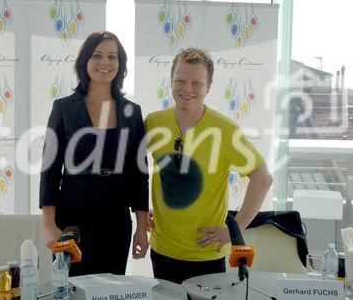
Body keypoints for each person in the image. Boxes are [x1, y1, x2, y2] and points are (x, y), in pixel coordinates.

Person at [145, 47, 273, 284]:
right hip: (162, 250)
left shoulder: (224, 130)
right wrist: (145, 211)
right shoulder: (154, 123)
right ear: (171, 81)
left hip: (206, 253)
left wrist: (234, 229)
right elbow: (133, 171)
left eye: (197, 83)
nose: (187, 89)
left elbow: (263, 177)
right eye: (180, 81)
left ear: (209, 85)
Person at [39, 31, 149, 276]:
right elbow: (49, 170)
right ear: (84, 62)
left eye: (112, 57)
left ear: (120, 65)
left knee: (110, 291)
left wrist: (141, 228)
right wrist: (49, 226)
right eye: (97, 56)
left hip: (116, 223)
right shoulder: (64, 108)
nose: (105, 63)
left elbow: (140, 176)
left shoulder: (133, 111)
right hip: (73, 221)